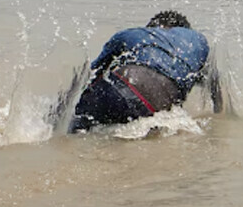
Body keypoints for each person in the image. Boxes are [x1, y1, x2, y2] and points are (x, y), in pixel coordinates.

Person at [69, 10, 222, 132]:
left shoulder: (131, 34)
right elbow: (216, 93)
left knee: (80, 131)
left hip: (117, 86)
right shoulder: (198, 43)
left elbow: (90, 74)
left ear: (151, 28)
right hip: (151, 105)